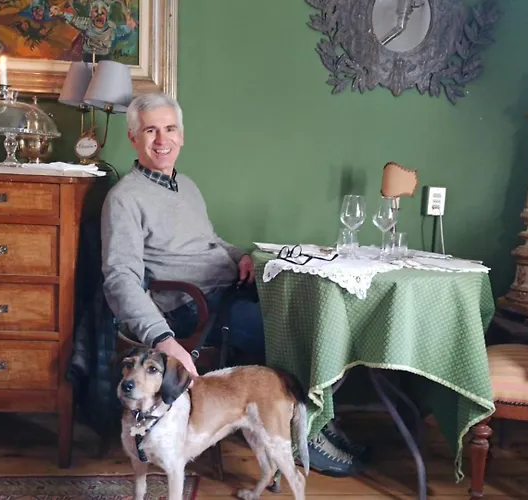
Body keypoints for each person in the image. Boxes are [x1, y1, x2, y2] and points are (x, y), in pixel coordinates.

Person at [100, 92, 366, 477]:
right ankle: (303, 438)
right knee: (299, 338)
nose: (162, 139)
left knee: (315, 319)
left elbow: (209, 241)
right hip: (193, 308)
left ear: (182, 135)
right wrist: (163, 339)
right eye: (151, 130)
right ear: (133, 137)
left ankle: (319, 422)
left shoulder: (185, 185)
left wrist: (239, 255)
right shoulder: (124, 199)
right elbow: (119, 278)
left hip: (227, 291)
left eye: (170, 129)